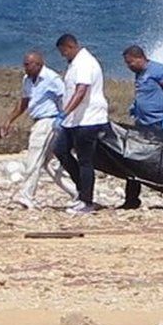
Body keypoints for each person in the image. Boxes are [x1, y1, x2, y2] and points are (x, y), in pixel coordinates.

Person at [0, 51, 77, 208]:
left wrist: (64, 119)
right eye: (24, 64)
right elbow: (24, 102)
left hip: (48, 121)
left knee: (34, 158)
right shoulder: (27, 80)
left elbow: (65, 97)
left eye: (28, 65)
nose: (25, 68)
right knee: (48, 163)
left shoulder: (51, 78)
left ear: (39, 64)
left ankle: (26, 195)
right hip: (38, 120)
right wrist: (9, 120)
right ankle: (77, 192)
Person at [53, 33, 109, 215]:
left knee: (85, 160)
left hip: (88, 119)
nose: (63, 56)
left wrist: (64, 113)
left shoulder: (85, 62)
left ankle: (87, 201)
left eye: (64, 52)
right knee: (60, 149)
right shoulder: (75, 63)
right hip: (74, 121)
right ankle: (81, 191)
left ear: (70, 46)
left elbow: (81, 91)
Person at [119, 44, 163, 209]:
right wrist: (136, 105)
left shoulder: (158, 70)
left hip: (160, 122)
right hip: (142, 123)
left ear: (139, 58)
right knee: (134, 159)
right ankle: (131, 200)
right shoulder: (139, 74)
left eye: (130, 62)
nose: (128, 66)